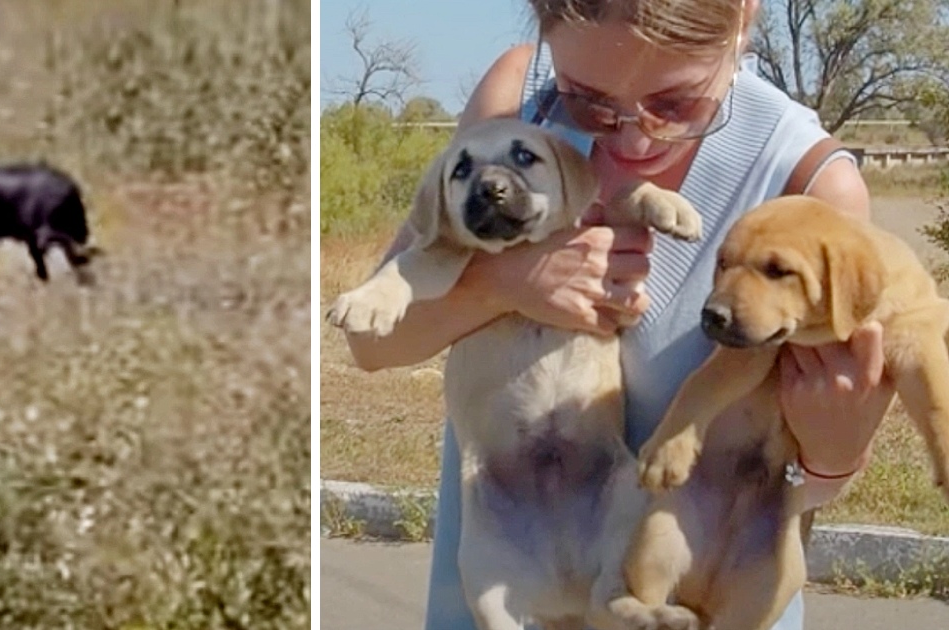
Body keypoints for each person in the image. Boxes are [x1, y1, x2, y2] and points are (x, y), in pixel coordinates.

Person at [340, 0, 898, 628]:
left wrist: (834, 452)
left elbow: (812, 474)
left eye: (676, 105)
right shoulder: (516, 102)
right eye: (586, 100)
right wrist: (508, 284)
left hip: (697, 603)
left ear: (744, 18)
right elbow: (372, 347)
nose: (632, 138)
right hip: (506, 592)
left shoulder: (808, 182)